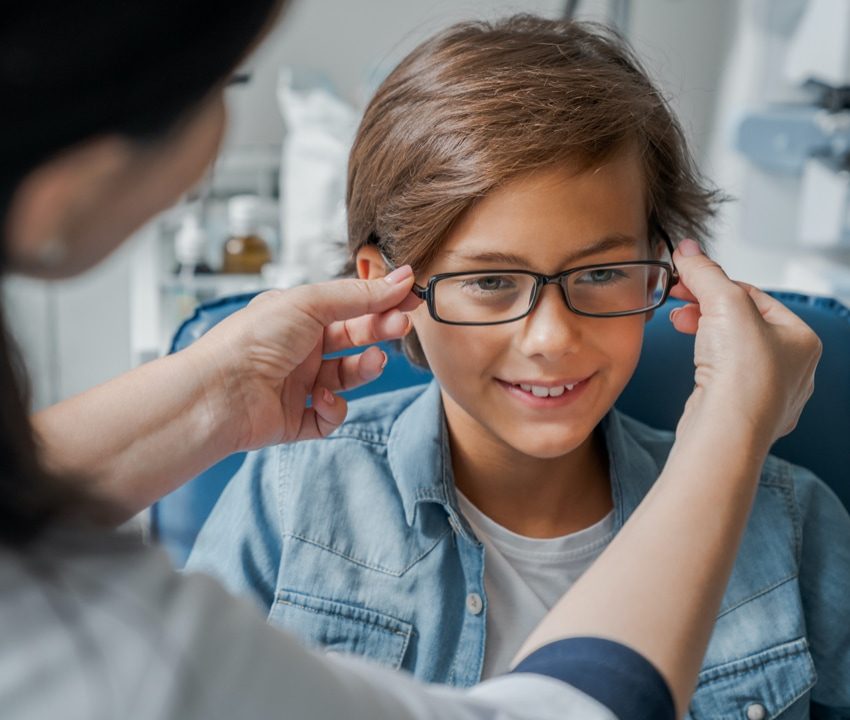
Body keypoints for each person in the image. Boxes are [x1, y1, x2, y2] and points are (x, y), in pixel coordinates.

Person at [0, 3, 822, 720]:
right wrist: (731, 431)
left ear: (671, 266)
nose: (550, 337)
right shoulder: (296, 499)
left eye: (602, 272)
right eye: (489, 282)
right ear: (387, 287)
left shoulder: (791, 522)